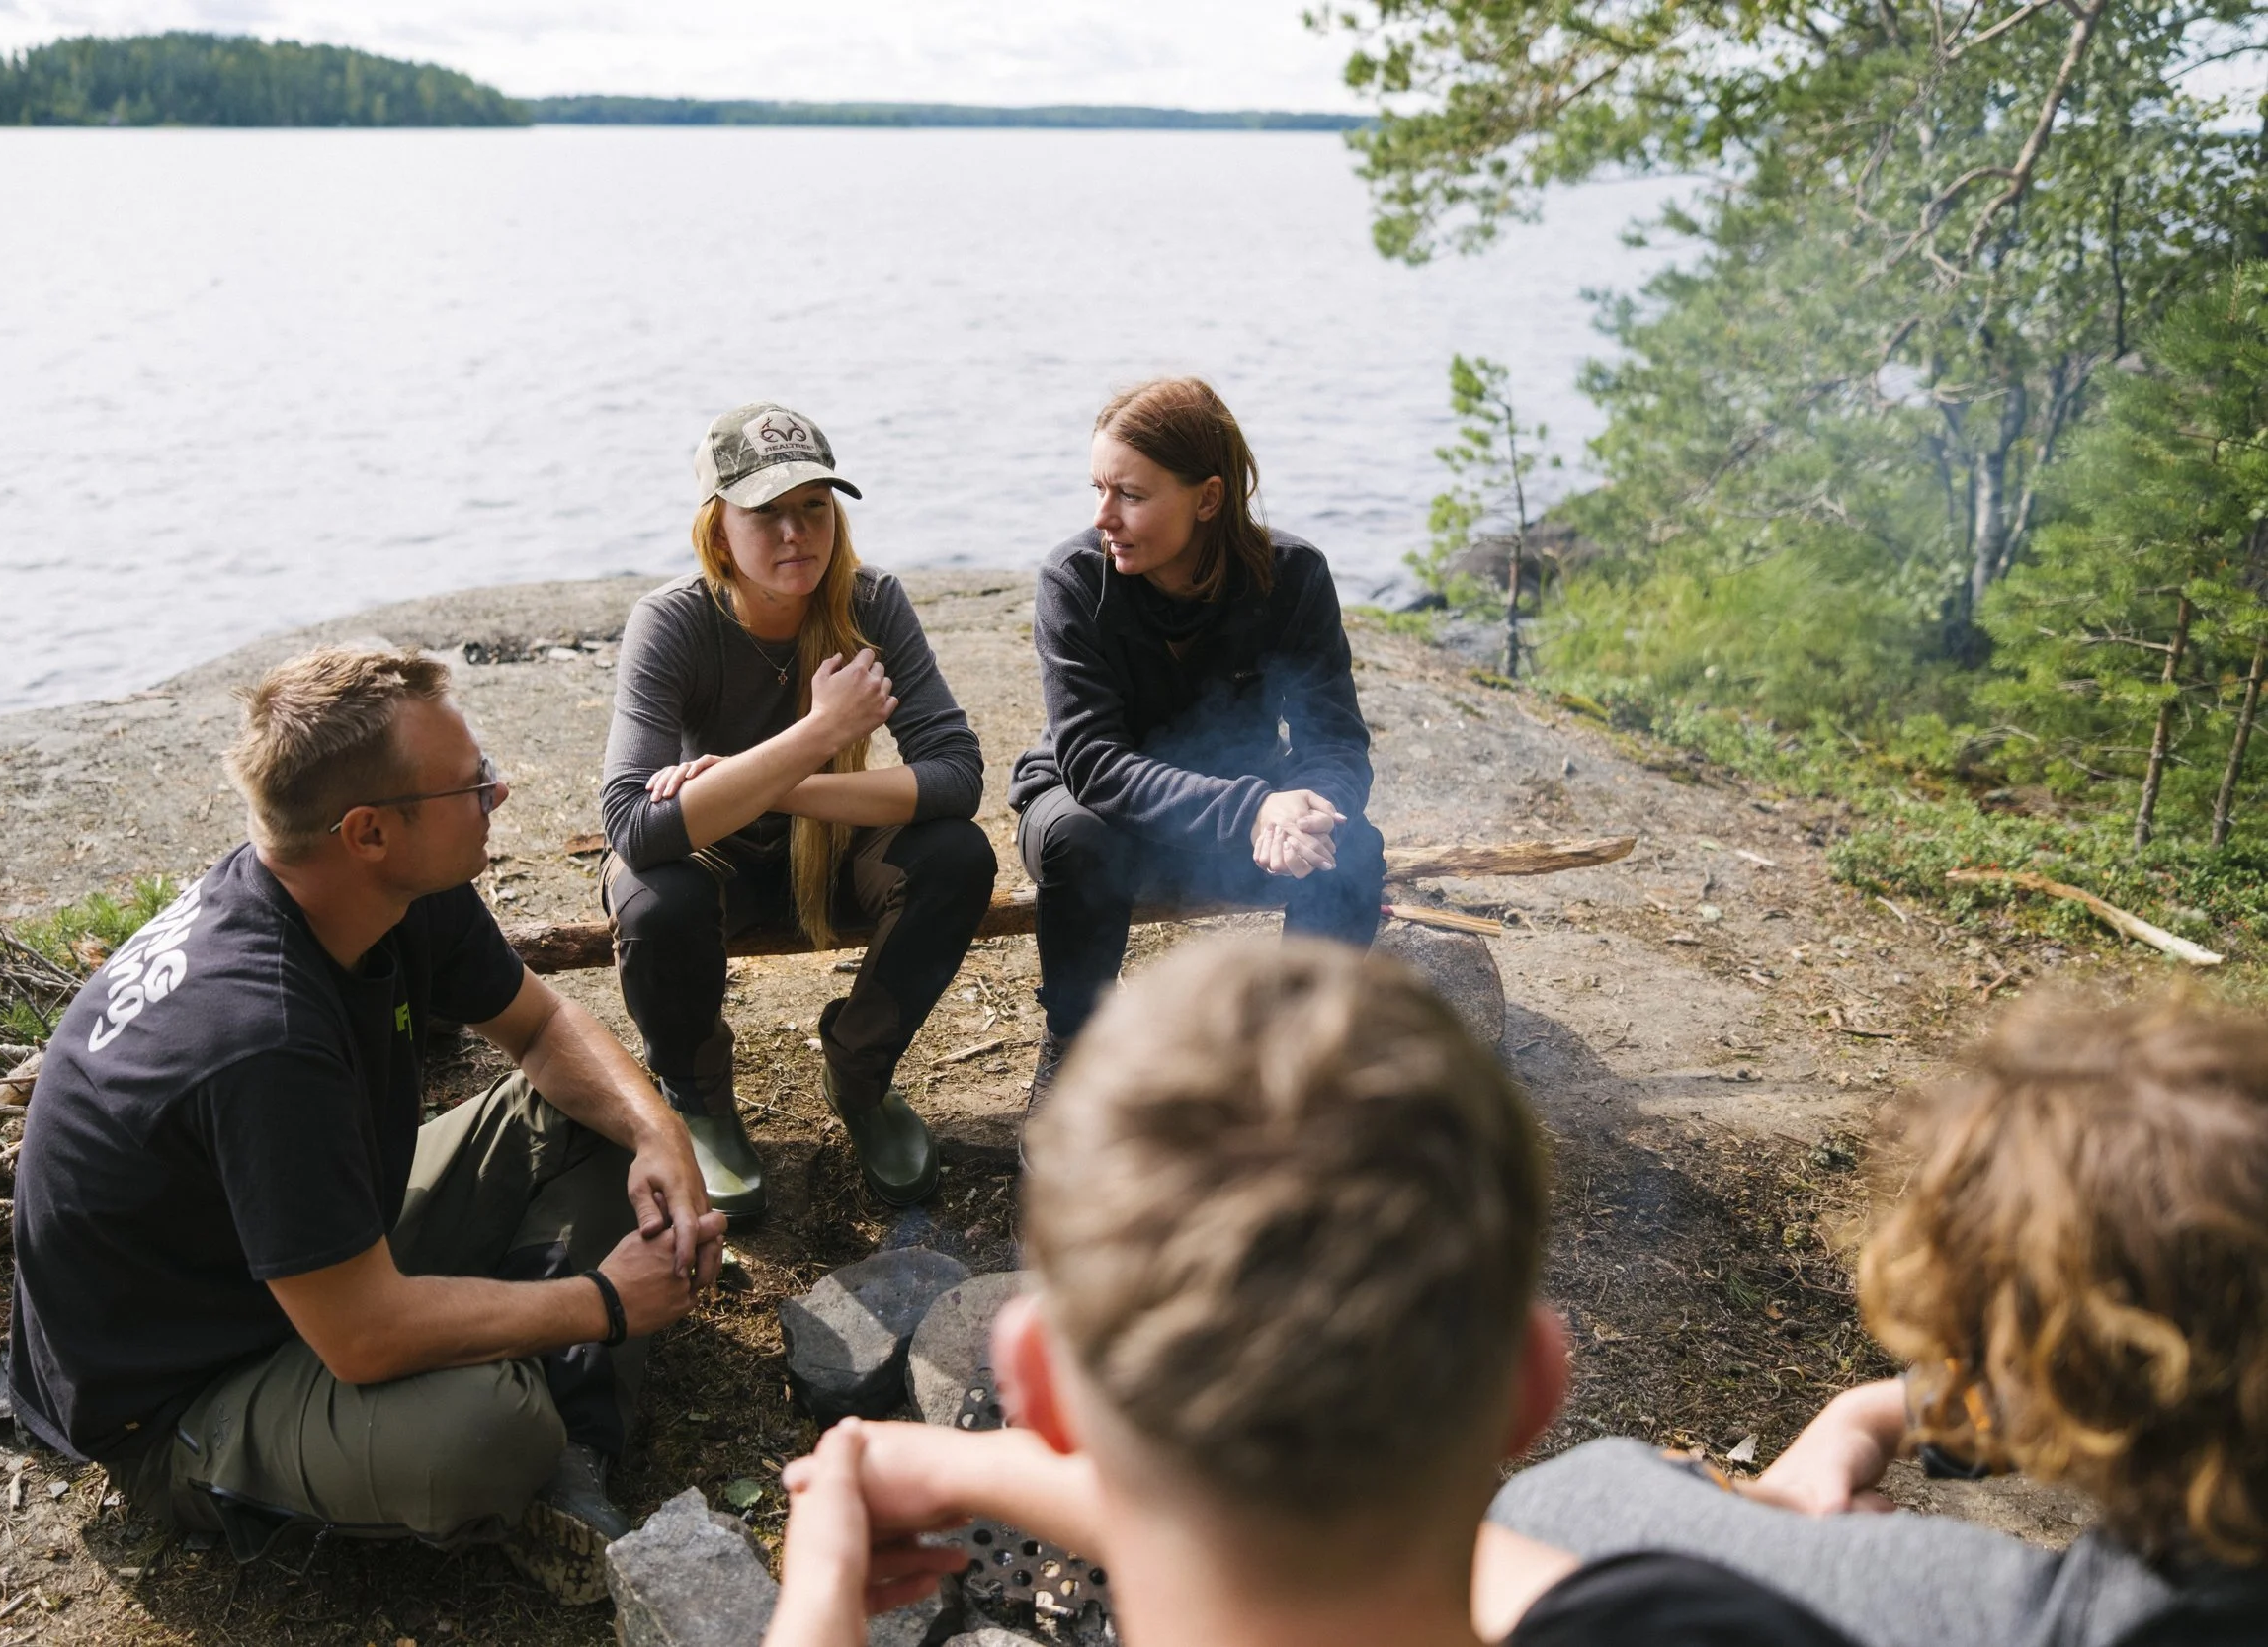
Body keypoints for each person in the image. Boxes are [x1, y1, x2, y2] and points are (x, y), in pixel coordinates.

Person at [757, 937, 1869, 1647]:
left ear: (1032, 1383)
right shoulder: (1701, 1620)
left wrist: (813, 1609)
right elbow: (1427, 1568)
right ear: (1533, 1383)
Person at [8, 647, 727, 1606]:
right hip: (186, 1387)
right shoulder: (259, 1035)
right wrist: (602, 1302)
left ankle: (564, 1432)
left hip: (316, 1256)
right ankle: (544, 1411)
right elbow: (358, 1335)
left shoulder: (379, 893)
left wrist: (662, 1134)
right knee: (487, 1434)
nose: (499, 791)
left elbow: (545, 1026)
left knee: (600, 1120)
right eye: (471, 784)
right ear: (369, 831)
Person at [1485, 994, 2268, 1647]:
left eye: (1981, 1337)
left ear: (2092, 1365)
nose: (1964, 1354)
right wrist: (1881, 1410)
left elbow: (1576, 1505)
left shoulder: (2053, 1623)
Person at [599, 401, 993, 1218]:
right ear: (718, 530)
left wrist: (783, 778)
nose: (795, 533)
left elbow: (957, 776)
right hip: (716, 861)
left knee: (957, 854)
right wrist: (819, 731)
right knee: (650, 894)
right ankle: (700, 1100)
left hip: (834, 848)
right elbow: (634, 824)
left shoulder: (872, 602)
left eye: (814, 506)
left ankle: (859, 1072)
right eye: (767, 512)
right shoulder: (670, 623)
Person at [1008, 377, 1384, 1106]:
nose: (1103, 516)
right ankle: (1075, 1047)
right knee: (1080, 838)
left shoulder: (1291, 577)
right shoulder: (1076, 580)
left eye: (1131, 495)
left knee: (1354, 846)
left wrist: (1310, 809)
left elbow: (1335, 739)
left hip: (1236, 821)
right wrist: (1253, 811)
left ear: (1208, 498)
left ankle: (1294, 1056)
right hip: (1100, 808)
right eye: (1098, 489)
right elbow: (1093, 764)